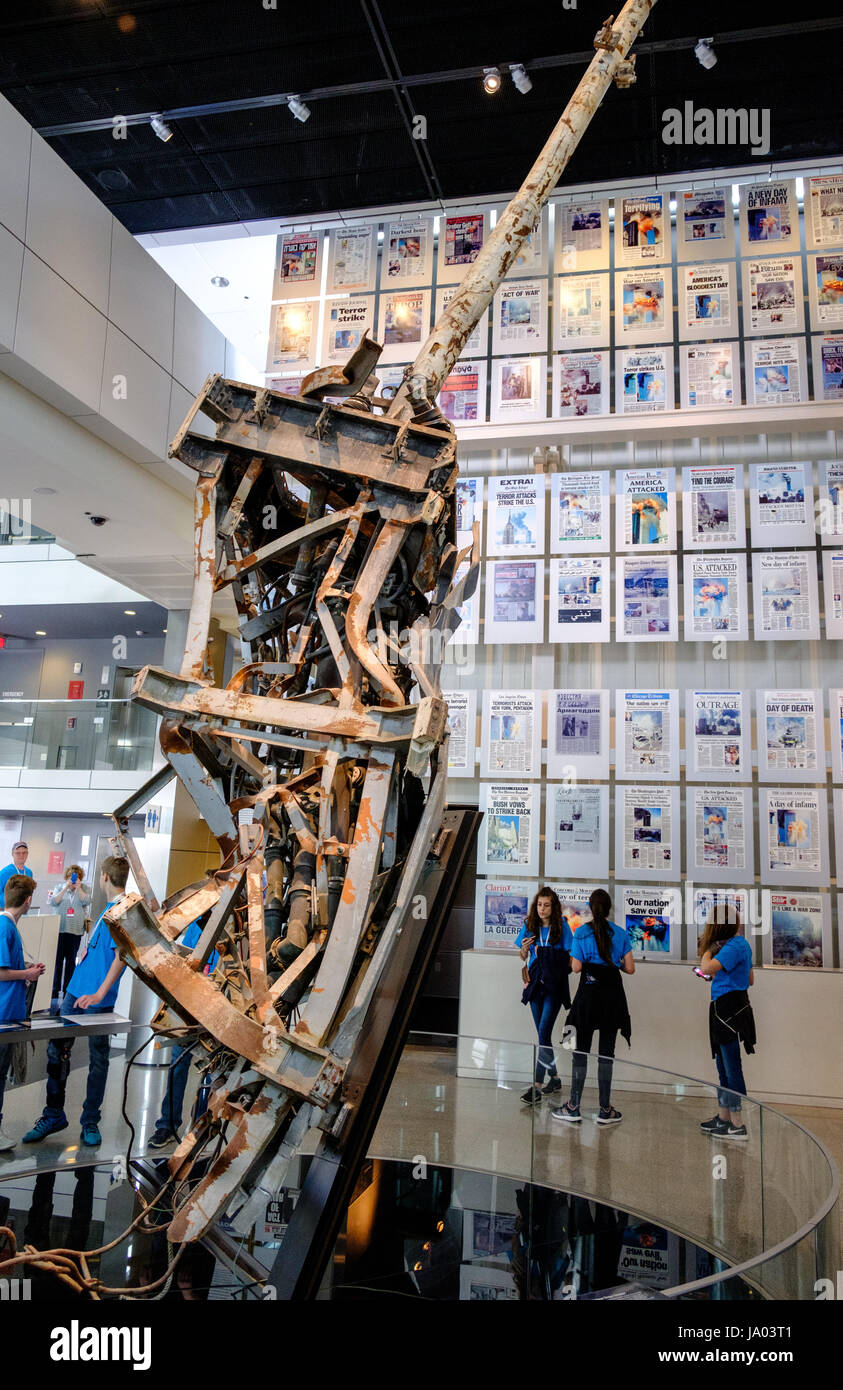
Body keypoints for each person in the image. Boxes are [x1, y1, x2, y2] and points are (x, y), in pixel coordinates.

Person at [22, 855, 129, 1149]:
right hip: (73, 992)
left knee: (98, 1060)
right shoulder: (107, 909)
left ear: (104, 877)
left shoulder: (122, 910)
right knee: (57, 1052)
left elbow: (123, 956)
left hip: (98, 1001)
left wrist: (99, 994)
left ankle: (90, 1121)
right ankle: (53, 1114)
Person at [552, 889, 634, 1126]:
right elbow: (630, 968)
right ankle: (605, 1109)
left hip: (587, 997)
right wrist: (613, 961)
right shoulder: (620, 934)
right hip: (612, 998)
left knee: (580, 1051)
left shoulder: (582, 933)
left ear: (590, 907)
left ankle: (573, 1106)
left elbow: (576, 968)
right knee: (606, 1054)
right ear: (609, 908)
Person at [147, 916, 219, 1150]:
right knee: (178, 1064)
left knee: (213, 1070)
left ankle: (200, 1128)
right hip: (189, 1006)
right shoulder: (195, 925)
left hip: (217, 1008)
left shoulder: (233, 926)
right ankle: (167, 1125)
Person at [697, 908, 755, 1142]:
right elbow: (750, 978)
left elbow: (706, 968)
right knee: (723, 1065)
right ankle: (724, 1117)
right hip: (725, 1007)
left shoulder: (733, 946)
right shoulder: (738, 946)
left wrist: (709, 949)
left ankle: (738, 1124)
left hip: (729, 1009)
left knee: (732, 1067)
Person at [0, 875, 45, 1151]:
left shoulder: (8, 927)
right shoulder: (5, 928)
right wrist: (26, 973)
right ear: (28, 900)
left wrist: (24, 972)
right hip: (4, 1014)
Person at [515, 887, 571, 1105]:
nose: (542, 909)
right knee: (543, 1035)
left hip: (554, 986)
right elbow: (522, 956)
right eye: (539, 905)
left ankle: (537, 1086)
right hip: (535, 984)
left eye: (546, 905)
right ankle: (555, 1079)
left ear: (553, 906)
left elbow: (570, 958)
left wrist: (548, 954)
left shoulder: (562, 926)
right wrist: (524, 948)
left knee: (544, 1031)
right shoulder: (530, 926)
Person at [47, 864, 91, 1005]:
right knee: (58, 960)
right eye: (70, 877)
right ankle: (54, 990)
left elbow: (86, 900)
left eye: (76, 877)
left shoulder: (84, 889)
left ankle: (67, 990)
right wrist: (66, 887)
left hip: (75, 931)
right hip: (60, 929)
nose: (72, 880)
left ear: (80, 878)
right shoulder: (60, 887)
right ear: (66, 877)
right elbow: (54, 901)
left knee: (71, 961)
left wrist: (78, 888)